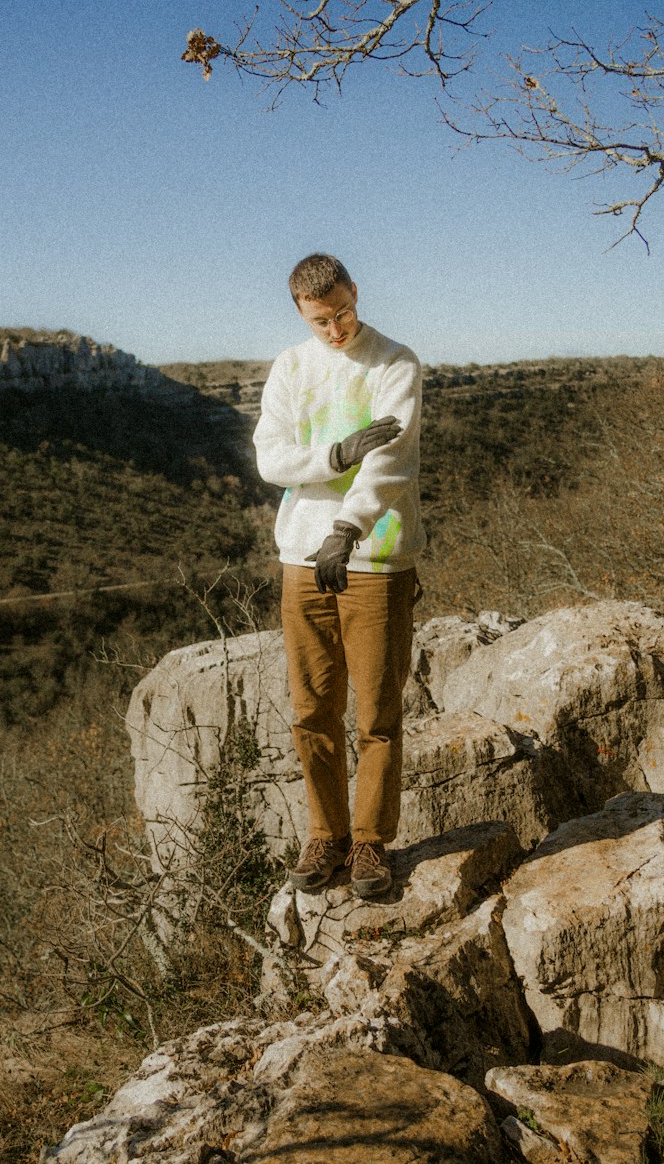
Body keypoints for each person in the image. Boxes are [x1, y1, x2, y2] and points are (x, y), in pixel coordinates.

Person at [253, 253, 424, 897]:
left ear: (357, 291)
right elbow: (270, 457)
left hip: (375, 557)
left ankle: (371, 844)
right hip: (302, 559)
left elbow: (391, 466)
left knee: (377, 711)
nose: (335, 329)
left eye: (343, 312)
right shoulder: (291, 366)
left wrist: (346, 530)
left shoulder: (395, 362)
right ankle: (325, 833)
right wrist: (333, 454)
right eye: (321, 320)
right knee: (312, 708)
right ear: (302, 312)